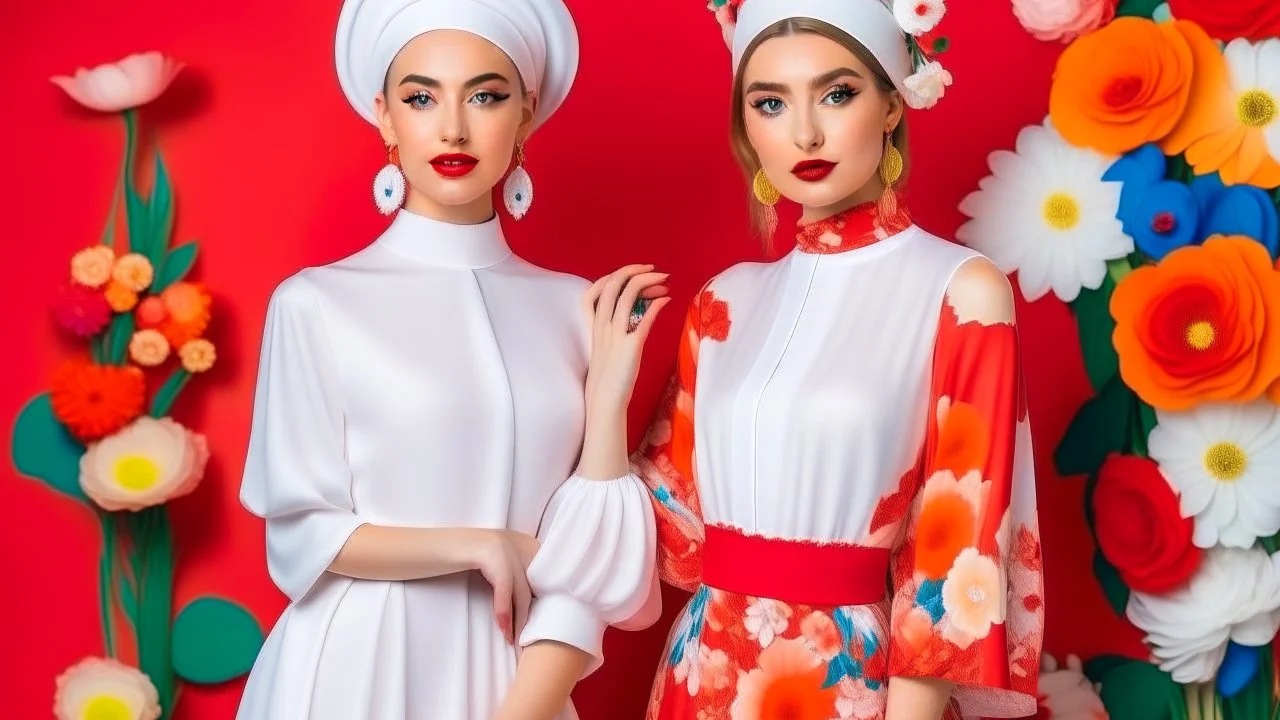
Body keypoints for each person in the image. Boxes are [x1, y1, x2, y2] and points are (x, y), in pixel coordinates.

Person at [235, 0, 668, 717]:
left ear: (525, 114)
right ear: (384, 116)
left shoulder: (577, 309)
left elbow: (592, 557)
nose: (453, 127)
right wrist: (479, 544)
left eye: (486, 96)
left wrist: (608, 398)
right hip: (357, 668)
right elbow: (303, 533)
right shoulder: (316, 302)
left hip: (519, 675)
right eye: (421, 96)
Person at [631, 0, 1045, 717]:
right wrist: (607, 396)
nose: (805, 131)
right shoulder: (722, 302)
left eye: (837, 93)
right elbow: (671, 532)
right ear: (747, 126)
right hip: (700, 674)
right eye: (770, 102)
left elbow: (955, 567)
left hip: (852, 684)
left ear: (890, 104)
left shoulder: (960, 290)